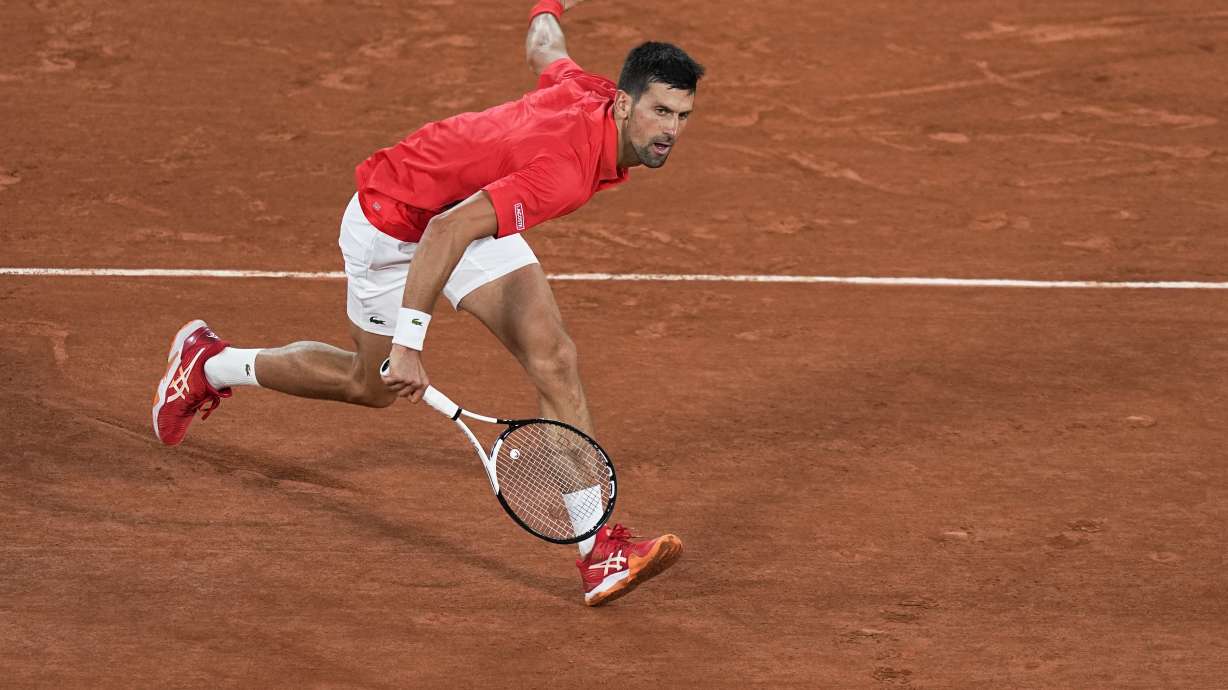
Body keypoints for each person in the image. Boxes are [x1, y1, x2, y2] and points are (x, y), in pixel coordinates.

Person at [151, 0, 703, 607]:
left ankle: (597, 552)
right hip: (395, 220)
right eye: (659, 112)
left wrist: (544, 6)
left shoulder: (590, 90)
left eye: (681, 115)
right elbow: (442, 233)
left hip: (466, 210)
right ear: (624, 104)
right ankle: (208, 364)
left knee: (554, 358)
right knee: (369, 385)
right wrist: (409, 345)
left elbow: (546, 49)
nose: (670, 131)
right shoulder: (565, 167)